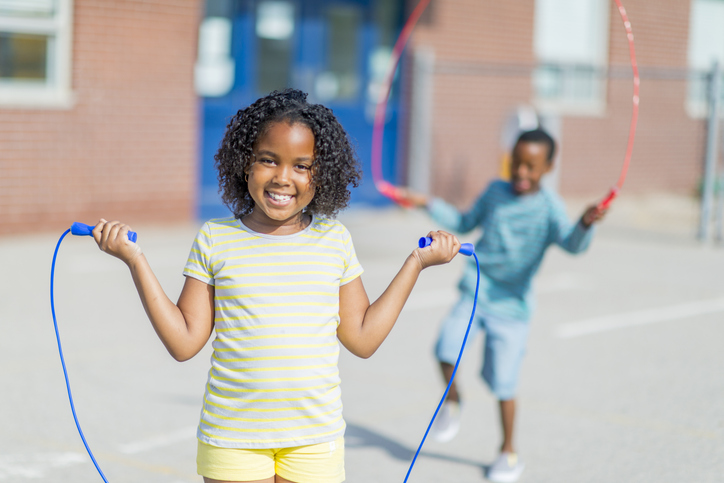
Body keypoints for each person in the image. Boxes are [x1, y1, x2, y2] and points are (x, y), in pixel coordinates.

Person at [90, 88, 462, 483]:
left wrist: (417, 262)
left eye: (302, 166)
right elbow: (183, 343)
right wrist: (135, 261)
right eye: (268, 160)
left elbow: (363, 339)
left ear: (323, 174)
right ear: (244, 163)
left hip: (315, 439)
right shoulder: (215, 238)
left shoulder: (333, 240)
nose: (283, 178)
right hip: (232, 437)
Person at [397, 128, 607, 483]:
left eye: (531, 166)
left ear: (549, 167)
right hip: (476, 293)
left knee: (504, 385)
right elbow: (464, 222)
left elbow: (572, 245)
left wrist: (585, 223)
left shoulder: (550, 209)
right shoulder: (495, 192)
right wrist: (425, 202)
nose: (521, 173)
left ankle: (508, 453)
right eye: (517, 164)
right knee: (445, 349)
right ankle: (453, 400)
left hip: (512, 309)